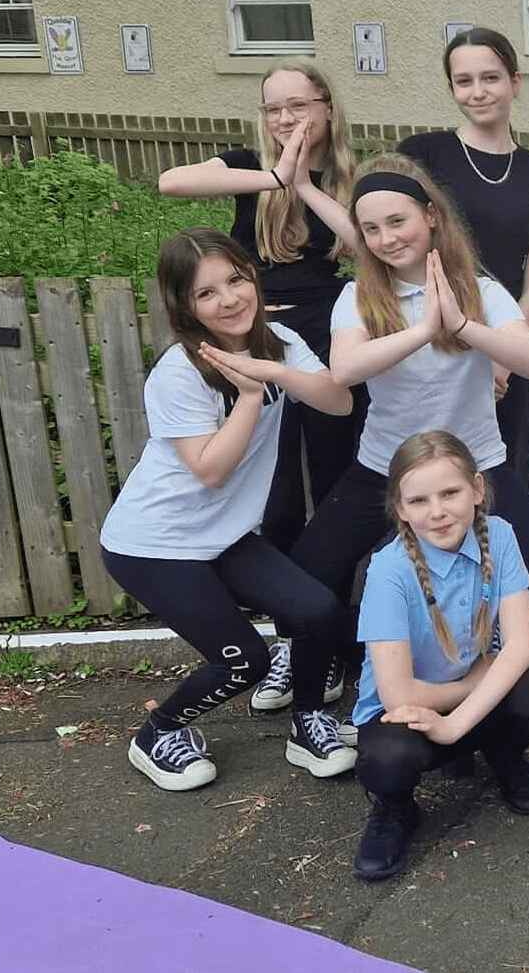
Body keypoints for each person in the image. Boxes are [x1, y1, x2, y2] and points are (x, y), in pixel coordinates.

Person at [290, 154, 529, 672]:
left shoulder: (482, 292)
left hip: (477, 469)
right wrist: (422, 330)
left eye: (397, 221)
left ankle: (511, 681)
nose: (386, 239)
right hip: (385, 468)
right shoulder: (358, 296)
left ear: (430, 216)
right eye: (371, 229)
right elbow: (344, 369)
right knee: (305, 578)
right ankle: (336, 667)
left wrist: (461, 326)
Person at [99, 228, 357, 791]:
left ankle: (309, 720)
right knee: (245, 662)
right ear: (186, 306)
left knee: (319, 611)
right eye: (206, 294)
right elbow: (211, 470)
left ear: (252, 275)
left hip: (225, 535)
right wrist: (246, 395)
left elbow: (337, 402)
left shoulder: (282, 340)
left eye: (235, 280)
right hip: (154, 544)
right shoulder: (179, 371)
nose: (229, 299)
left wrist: (274, 371)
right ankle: (157, 732)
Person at [158, 60, 364, 712]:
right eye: (273, 108)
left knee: (333, 501)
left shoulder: (353, 178)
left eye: (297, 106)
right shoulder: (253, 166)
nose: (283, 120)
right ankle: (291, 640)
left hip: (328, 356)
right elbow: (170, 182)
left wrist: (303, 184)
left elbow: (363, 243)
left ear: (327, 107)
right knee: (272, 505)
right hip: (256, 355)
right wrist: (276, 175)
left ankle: (326, 647)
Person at [349, 431, 529, 880]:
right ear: (400, 508)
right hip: (408, 712)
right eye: (418, 501)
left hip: (455, 711)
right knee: (386, 762)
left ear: (477, 489)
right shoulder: (387, 571)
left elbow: (522, 647)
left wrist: (455, 724)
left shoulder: (500, 535)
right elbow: (398, 696)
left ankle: (503, 753)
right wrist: (473, 686)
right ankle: (395, 810)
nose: (437, 512)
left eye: (450, 492)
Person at [398, 27, 529, 483]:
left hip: (504, 346)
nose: (478, 92)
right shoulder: (422, 154)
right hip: (428, 340)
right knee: (422, 475)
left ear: (516, 82)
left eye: (490, 78)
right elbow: (388, 243)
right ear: (451, 87)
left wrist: (505, 360)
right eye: (464, 81)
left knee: (494, 481)